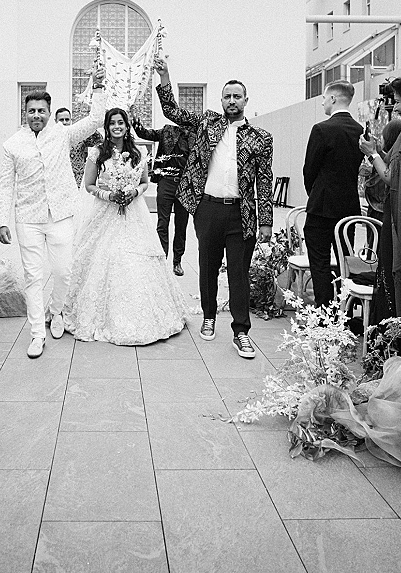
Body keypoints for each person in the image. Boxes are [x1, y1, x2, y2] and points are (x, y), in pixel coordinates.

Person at [154, 57, 273, 359]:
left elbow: (265, 180)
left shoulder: (261, 138)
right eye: (227, 96)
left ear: (246, 100)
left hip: (241, 215)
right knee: (207, 267)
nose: (232, 100)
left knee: (238, 274)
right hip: (207, 209)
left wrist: (266, 221)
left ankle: (241, 332)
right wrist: (166, 75)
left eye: (237, 96)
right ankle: (209, 316)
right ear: (221, 100)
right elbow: (172, 111)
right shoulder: (207, 123)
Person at [0, 63, 105, 359]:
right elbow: (6, 185)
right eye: (31, 111)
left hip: (60, 216)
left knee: (63, 271)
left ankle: (56, 311)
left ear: (48, 111)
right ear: (25, 113)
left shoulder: (62, 134)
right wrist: (1, 221)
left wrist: (97, 87)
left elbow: (96, 119)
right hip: (27, 219)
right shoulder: (12, 145)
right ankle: (36, 333)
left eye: (41, 111)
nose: (36, 116)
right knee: (33, 276)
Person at [63, 107, 188, 344]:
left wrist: (133, 192)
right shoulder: (97, 153)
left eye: (121, 122)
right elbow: (89, 185)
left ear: (126, 125)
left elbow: (144, 183)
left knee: (137, 259)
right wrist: (109, 196)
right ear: (107, 127)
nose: (117, 127)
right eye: (113, 123)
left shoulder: (138, 152)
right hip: (105, 212)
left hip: (133, 213)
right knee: (102, 258)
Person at [303, 80, 363, 308]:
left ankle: (324, 311)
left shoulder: (321, 129)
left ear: (334, 99)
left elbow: (310, 169)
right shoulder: (359, 130)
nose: (322, 103)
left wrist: (315, 194)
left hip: (321, 207)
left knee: (319, 261)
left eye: (324, 99)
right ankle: (344, 309)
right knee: (344, 259)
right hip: (348, 208)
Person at [360, 80, 401, 333]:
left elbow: (390, 176)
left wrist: (373, 153)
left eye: (399, 100)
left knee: (392, 274)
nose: (395, 106)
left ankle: (392, 334)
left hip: (400, 217)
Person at [131, 114, 191, 276]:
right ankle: (162, 260)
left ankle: (177, 261)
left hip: (185, 185)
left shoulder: (196, 136)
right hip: (166, 181)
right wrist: (137, 124)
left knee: (181, 225)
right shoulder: (167, 131)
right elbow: (146, 134)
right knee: (162, 222)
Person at [55, 106, 103, 185]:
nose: (64, 122)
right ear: (55, 121)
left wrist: (88, 126)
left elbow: (99, 140)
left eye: (67, 119)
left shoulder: (79, 136)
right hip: (60, 180)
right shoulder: (52, 138)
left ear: (71, 120)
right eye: (61, 120)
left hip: (77, 180)